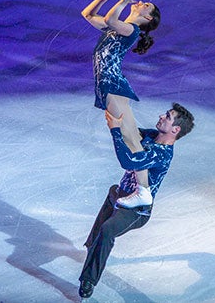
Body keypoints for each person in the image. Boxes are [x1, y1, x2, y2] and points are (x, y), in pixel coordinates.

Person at [78, 102, 195, 298]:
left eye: (167, 116)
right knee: (108, 205)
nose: (161, 116)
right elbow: (130, 133)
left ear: (175, 130)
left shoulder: (162, 154)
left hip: (136, 210)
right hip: (120, 194)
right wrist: (116, 112)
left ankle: (88, 280)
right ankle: (93, 248)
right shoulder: (151, 136)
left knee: (107, 230)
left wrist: (115, 131)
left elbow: (128, 161)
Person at [81, 0, 161, 205]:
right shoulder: (116, 28)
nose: (140, 2)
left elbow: (110, 18)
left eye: (145, 5)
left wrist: (124, 1)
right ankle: (142, 188)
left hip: (113, 85)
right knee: (131, 136)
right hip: (111, 85)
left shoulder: (131, 30)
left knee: (130, 137)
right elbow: (87, 14)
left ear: (147, 17)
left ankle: (143, 191)